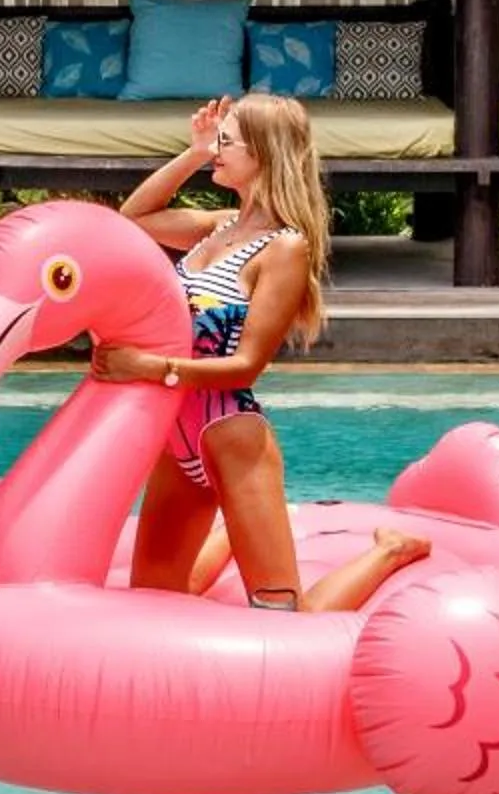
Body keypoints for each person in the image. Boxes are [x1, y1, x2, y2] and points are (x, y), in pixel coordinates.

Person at [91, 92, 429, 613]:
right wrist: (194, 152)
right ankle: (232, 535)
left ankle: (390, 551)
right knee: (153, 597)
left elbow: (246, 367)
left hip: (232, 438)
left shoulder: (284, 248)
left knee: (284, 615)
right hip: (177, 440)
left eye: (226, 142)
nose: (217, 150)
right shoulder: (217, 226)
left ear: (263, 153)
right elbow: (132, 219)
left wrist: (149, 368)